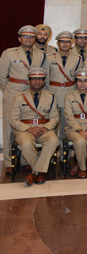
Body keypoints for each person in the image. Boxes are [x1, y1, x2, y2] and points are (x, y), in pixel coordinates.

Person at [0, 25, 48, 174]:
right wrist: (10, 91)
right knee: (10, 127)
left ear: (35, 39)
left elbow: (45, 75)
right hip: (13, 92)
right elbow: (2, 76)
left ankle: (26, 160)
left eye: (31, 37)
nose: (28, 39)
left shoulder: (41, 55)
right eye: (25, 36)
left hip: (33, 94)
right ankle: (9, 161)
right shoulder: (9, 54)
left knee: (29, 125)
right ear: (19, 38)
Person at [10, 67, 60, 186]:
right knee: (27, 144)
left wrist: (46, 128)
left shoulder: (51, 96)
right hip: (25, 130)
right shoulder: (19, 97)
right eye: (34, 79)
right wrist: (28, 128)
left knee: (54, 141)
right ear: (28, 81)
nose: (37, 81)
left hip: (44, 128)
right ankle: (40, 172)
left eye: (40, 79)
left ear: (44, 82)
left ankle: (35, 173)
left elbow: (55, 117)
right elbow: (13, 120)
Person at [64, 69, 87, 179]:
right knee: (80, 141)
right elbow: (69, 117)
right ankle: (83, 169)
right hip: (73, 127)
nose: (82, 84)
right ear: (76, 82)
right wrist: (79, 130)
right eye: (79, 81)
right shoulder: (69, 96)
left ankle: (77, 165)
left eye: (85, 81)